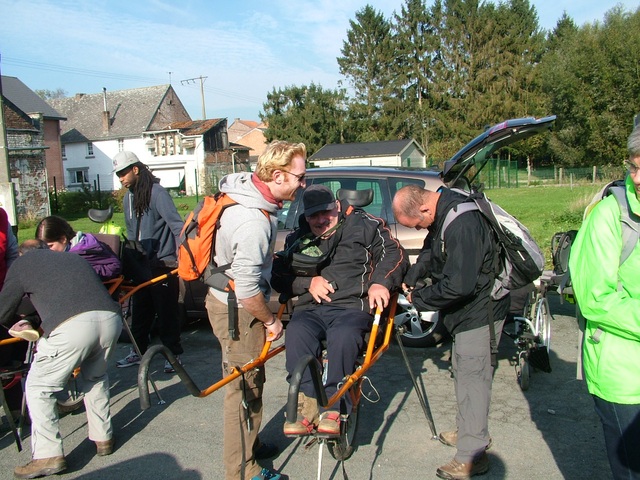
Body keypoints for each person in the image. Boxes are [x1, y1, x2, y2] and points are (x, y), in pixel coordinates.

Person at [392, 184, 510, 480]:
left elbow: (460, 285)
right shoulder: (445, 210)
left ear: (424, 209)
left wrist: (419, 300)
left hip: (480, 312)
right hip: (466, 312)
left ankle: (473, 456)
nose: (420, 229)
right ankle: (470, 431)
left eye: (417, 224)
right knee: (464, 371)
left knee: (473, 379)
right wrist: (414, 275)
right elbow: (434, 252)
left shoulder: (463, 224)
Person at [205, 140, 306, 480]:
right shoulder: (253, 221)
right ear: (278, 176)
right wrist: (271, 322)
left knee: (251, 380)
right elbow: (248, 291)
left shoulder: (250, 194)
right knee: (242, 389)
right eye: (299, 176)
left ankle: (251, 443)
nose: (302, 183)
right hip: (238, 311)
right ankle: (243, 469)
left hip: (229, 301)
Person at [272, 185, 408, 436]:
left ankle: (336, 405)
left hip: (351, 307)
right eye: (313, 215)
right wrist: (306, 283)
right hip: (310, 309)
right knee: (296, 333)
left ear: (336, 205)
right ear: (306, 215)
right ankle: (308, 404)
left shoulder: (366, 225)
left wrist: (380, 281)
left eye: (325, 212)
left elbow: (394, 253)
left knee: (343, 336)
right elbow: (278, 276)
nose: (320, 220)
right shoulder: (297, 236)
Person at [0, 240, 122, 479]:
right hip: (110, 319)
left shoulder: (22, 264)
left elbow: (4, 310)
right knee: (95, 377)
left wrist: (20, 322)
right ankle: (103, 438)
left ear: (22, 254)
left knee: (38, 388)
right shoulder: (73, 258)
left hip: (72, 327)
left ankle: (48, 455)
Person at [568, 126, 640, 480]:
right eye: (634, 167)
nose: (638, 178)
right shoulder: (609, 216)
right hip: (622, 371)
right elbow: (595, 297)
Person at [112, 151, 184, 374]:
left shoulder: (157, 193)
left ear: (136, 169)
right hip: (141, 264)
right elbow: (132, 231)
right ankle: (138, 350)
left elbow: (176, 226)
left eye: (124, 172)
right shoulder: (128, 198)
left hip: (163, 263)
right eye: (118, 174)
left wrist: (182, 255)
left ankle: (173, 356)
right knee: (140, 311)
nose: (121, 178)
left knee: (166, 313)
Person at [35, 215, 121, 280]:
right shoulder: (64, 251)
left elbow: (115, 266)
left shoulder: (85, 250)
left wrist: (85, 272)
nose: (46, 251)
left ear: (63, 239)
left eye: (50, 246)